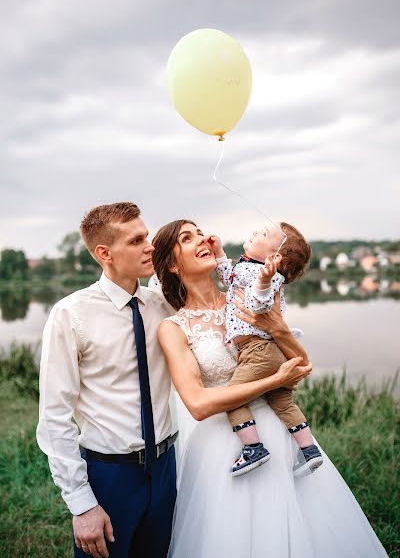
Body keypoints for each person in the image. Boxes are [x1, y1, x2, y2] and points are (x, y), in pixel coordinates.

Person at [36, 203, 311, 558]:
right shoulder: (72, 314)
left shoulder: (162, 303)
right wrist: (80, 503)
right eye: (136, 240)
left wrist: (276, 326)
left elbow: (294, 360)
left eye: (148, 237)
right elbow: (54, 417)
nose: (148, 246)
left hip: (169, 467)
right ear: (104, 253)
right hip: (111, 471)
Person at [153, 219, 389, 558]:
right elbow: (198, 404)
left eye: (200, 232)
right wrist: (275, 381)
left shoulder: (248, 296)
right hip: (222, 446)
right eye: (187, 238)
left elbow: (301, 366)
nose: (202, 238)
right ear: (173, 264)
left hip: (279, 433)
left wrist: (279, 330)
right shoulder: (174, 328)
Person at [212, 222, 322, 477]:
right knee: (282, 400)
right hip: (267, 350)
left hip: (257, 350)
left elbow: (259, 305)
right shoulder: (249, 268)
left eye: (262, 233)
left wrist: (262, 281)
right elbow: (228, 278)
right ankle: (309, 450)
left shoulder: (268, 276)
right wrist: (219, 253)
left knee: (233, 397)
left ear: (273, 257)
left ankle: (253, 448)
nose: (253, 232)